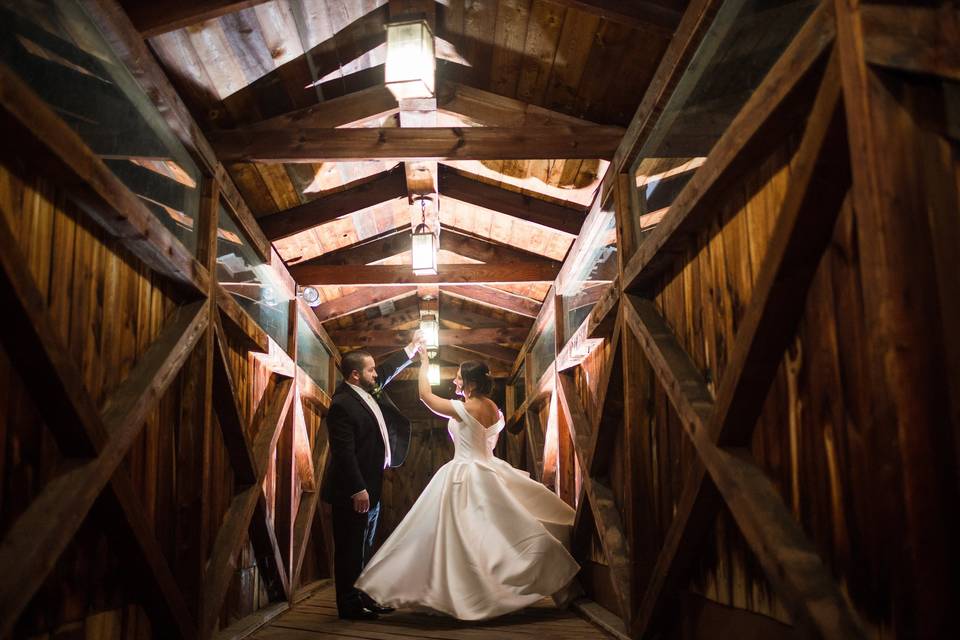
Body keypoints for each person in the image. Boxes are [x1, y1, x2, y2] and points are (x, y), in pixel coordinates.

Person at [354, 348, 580, 620]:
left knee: (459, 538)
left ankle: (464, 595)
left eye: (459, 378)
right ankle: (484, 587)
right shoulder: (494, 409)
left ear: (471, 383)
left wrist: (424, 362)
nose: (455, 382)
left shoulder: (466, 408)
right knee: (488, 537)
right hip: (491, 469)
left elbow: (425, 397)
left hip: (464, 475)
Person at [321, 333, 422, 620]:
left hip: (372, 487)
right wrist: (357, 489)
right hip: (353, 492)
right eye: (370, 370)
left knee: (365, 547)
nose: (376, 374)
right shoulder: (342, 404)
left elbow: (388, 370)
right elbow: (344, 453)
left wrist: (411, 349)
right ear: (355, 375)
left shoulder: (366, 391)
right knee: (350, 550)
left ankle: (364, 597)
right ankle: (349, 606)